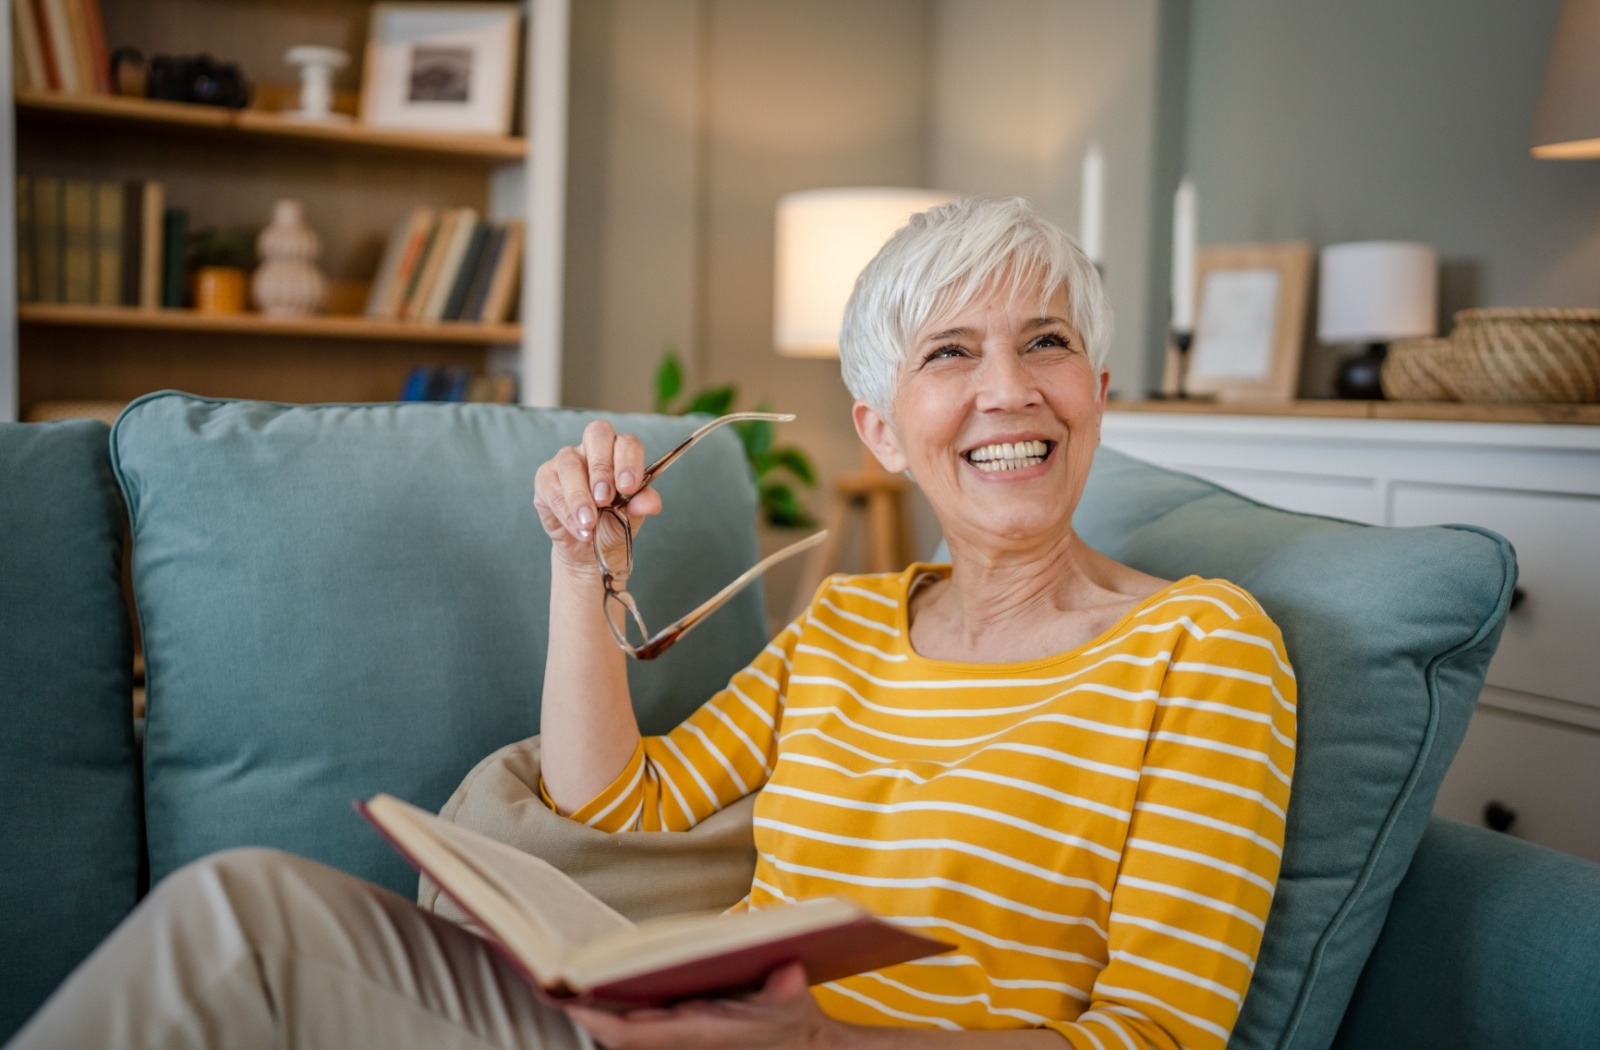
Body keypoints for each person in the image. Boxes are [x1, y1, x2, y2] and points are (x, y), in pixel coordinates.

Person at [9, 197, 1295, 1050]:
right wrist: (585, 566)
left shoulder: (1201, 648)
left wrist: (821, 1044)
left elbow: (1161, 1040)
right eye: (949, 354)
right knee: (239, 910)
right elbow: (611, 804)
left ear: (1100, 390)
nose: (1008, 390)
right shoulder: (846, 626)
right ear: (879, 430)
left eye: (1047, 341)